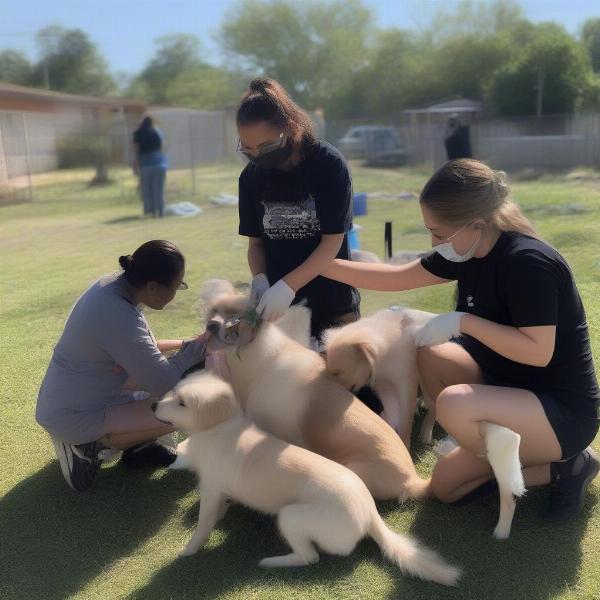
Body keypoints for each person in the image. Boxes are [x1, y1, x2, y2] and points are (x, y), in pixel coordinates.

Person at [321, 158, 600, 522]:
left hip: (560, 410)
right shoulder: (468, 249)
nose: (434, 242)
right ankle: (546, 464)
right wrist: (318, 266)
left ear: (476, 224)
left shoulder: (528, 263)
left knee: (454, 405)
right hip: (505, 389)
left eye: (439, 233)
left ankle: (569, 461)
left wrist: (463, 321)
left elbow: (538, 352)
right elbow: (396, 277)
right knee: (446, 490)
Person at [236, 77, 381, 413]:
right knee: (294, 399)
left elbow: (332, 243)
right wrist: (261, 281)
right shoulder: (252, 178)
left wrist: (287, 285)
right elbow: (256, 243)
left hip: (332, 302)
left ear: (289, 128)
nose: (257, 156)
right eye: (247, 149)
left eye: (265, 147)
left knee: (353, 401)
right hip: (281, 311)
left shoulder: (327, 165)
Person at [36, 240, 207, 492]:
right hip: (75, 414)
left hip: (89, 395)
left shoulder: (119, 287)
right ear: (152, 286)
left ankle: (139, 445)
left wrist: (188, 343)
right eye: (177, 286)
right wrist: (194, 351)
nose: (177, 292)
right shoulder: (115, 312)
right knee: (189, 409)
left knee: (176, 389)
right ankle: (85, 448)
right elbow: (163, 383)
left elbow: (141, 348)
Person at [133, 116, 168, 217]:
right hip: (160, 164)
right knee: (159, 189)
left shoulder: (137, 133)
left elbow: (136, 149)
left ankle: (151, 211)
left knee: (147, 189)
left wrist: (136, 164)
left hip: (146, 164)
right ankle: (161, 211)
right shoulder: (157, 132)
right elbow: (161, 147)